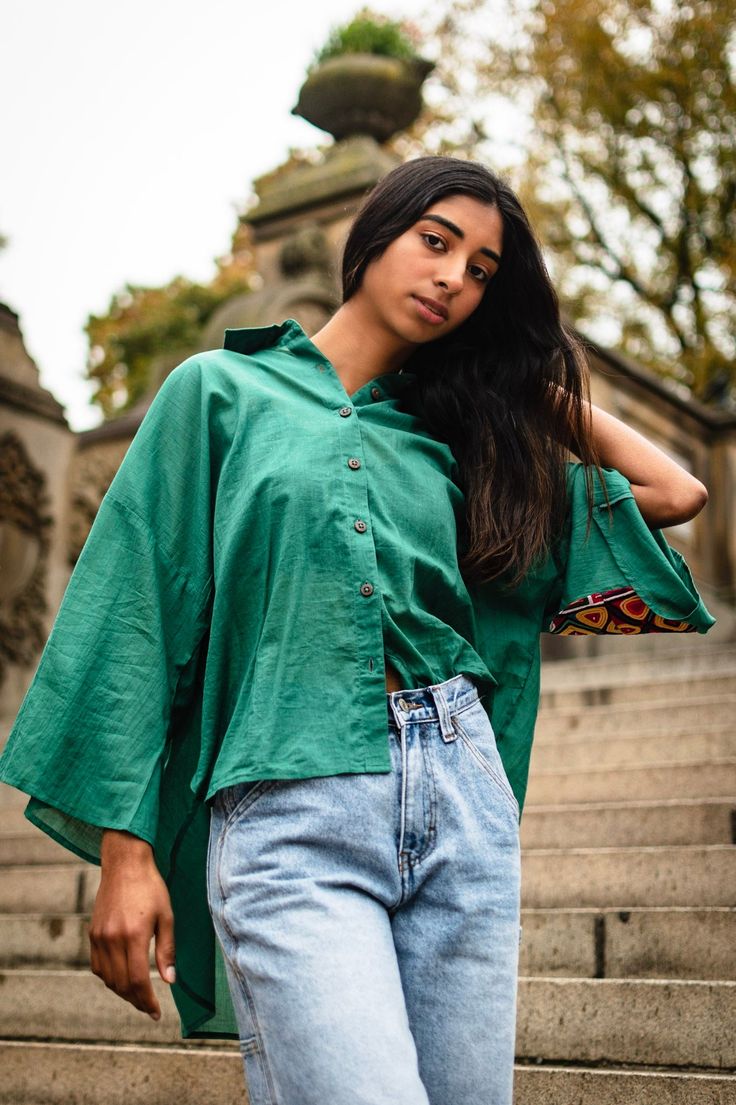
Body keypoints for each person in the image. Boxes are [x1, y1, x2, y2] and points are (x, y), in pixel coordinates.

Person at [0, 155, 715, 1105]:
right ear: (373, 235)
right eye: (437, 241)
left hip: (461, 801)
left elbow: (675, 492)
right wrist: (125, 854)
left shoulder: (450, 445)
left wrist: (517, 380)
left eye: (484, 270)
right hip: (292, 811)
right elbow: (137, 607)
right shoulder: (216, 393)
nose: (456, 277)